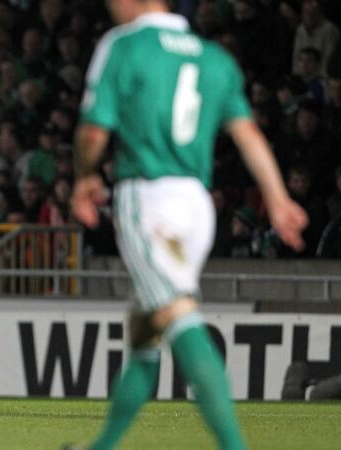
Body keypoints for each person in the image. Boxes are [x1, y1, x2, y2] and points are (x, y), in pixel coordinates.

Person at [69, 1, 308, 449]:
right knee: (145, 330)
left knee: (177, 315)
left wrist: (84, 178)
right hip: (197, 205)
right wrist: (277, 199)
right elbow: (248, 134)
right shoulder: (213, 57)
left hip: (149, 201)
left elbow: (94, 131)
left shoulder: (124, 45)